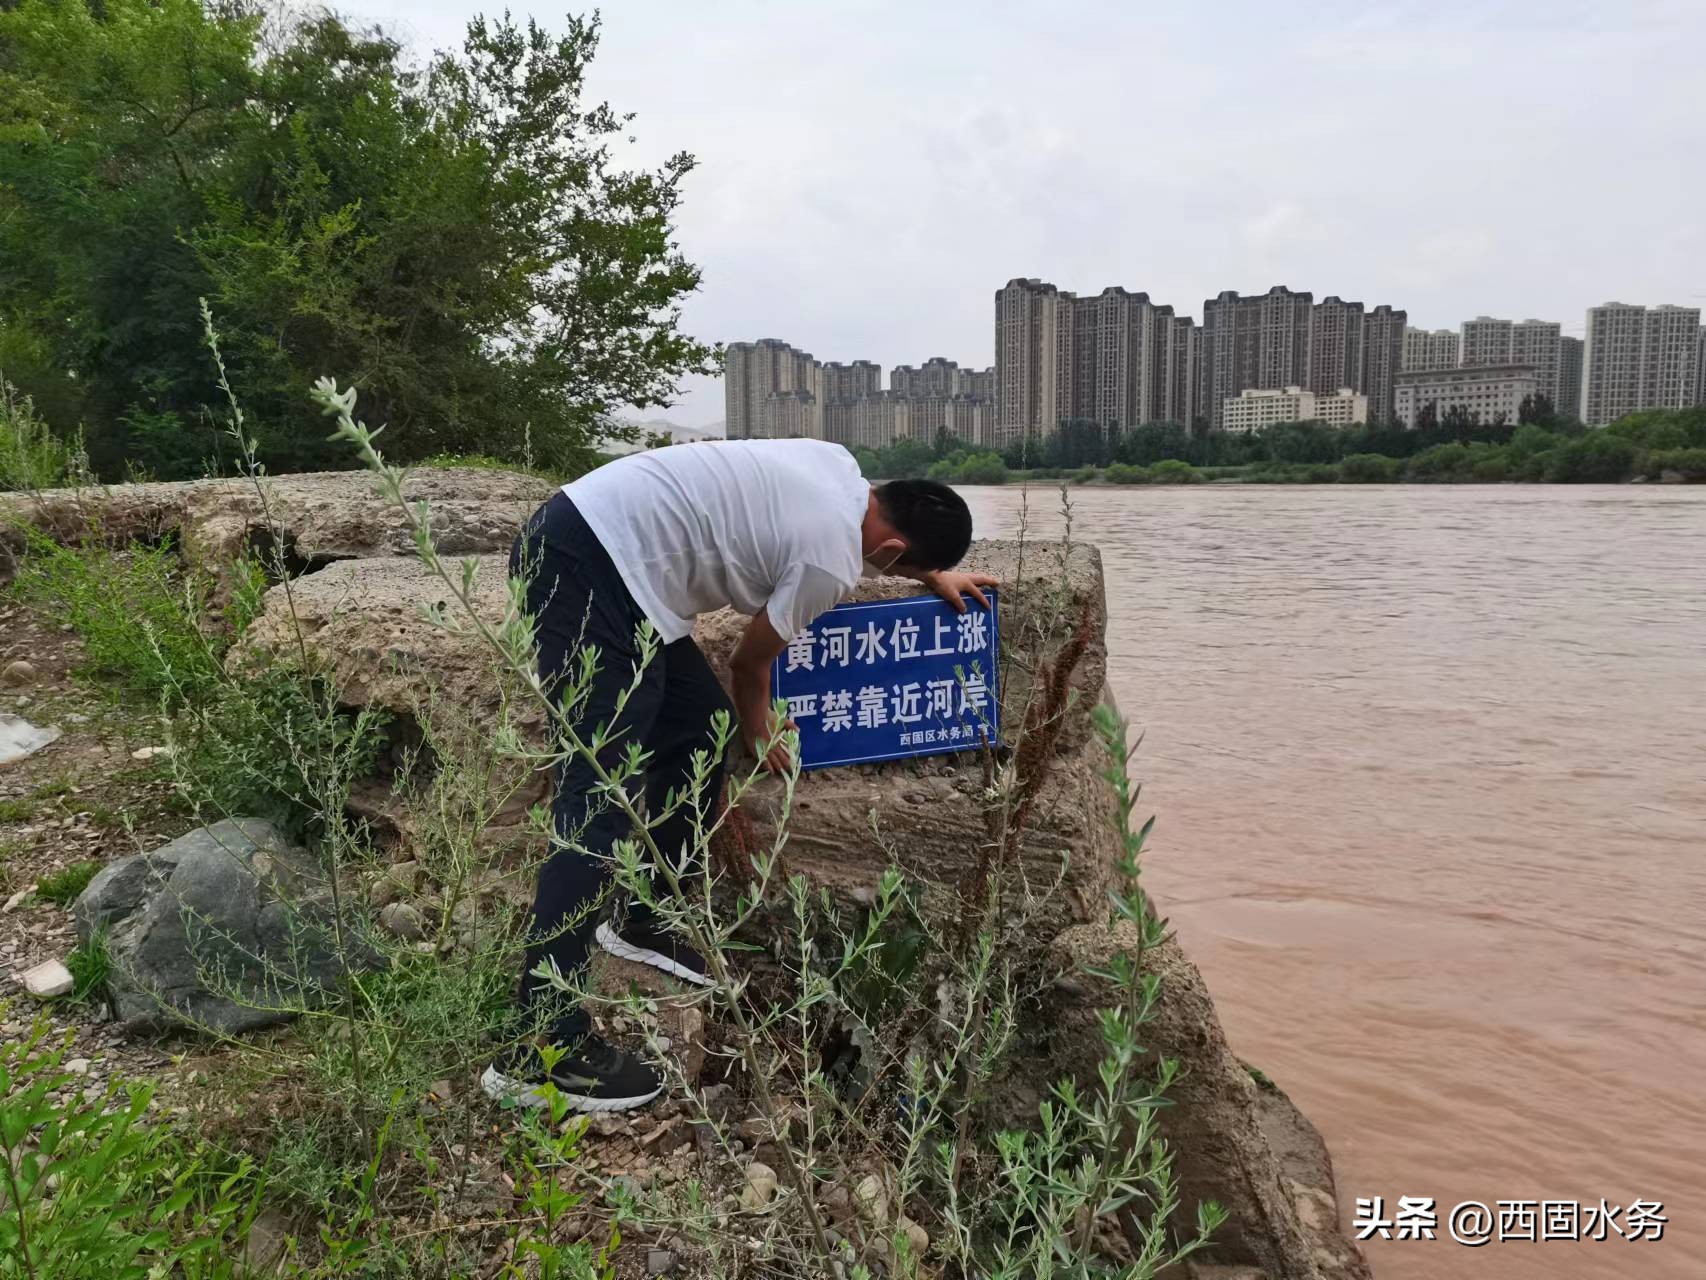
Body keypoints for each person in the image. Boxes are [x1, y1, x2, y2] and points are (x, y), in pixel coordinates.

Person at [481, 438, 996, 1113]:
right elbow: (751, 665)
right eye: (906, 565)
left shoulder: (838, 469)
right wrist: (759, 724)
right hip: (586, 567)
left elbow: (867, 542)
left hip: (608, 549)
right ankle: (539, 1045)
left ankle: (643, 920)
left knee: (697, 728)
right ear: (895, 551)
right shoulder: (827, 561)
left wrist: (932, 575)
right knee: (600, 798)